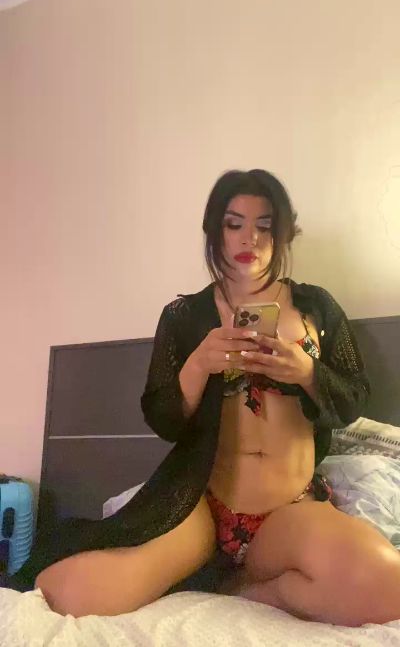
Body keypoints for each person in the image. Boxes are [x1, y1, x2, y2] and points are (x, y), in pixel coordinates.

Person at [11, 169, 400, 625]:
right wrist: (198, 365)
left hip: (289, 509)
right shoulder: (184, 316)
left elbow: (355, 398)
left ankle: (245, 589)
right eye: (234, 224)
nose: (249, 238)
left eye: (265, 226)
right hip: (203, 507)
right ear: (215, 230)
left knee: (390, 588)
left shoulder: (316, 307)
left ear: (283, 234)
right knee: (63, 593)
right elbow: (163, 419)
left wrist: (306, 371)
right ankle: (207, 566)